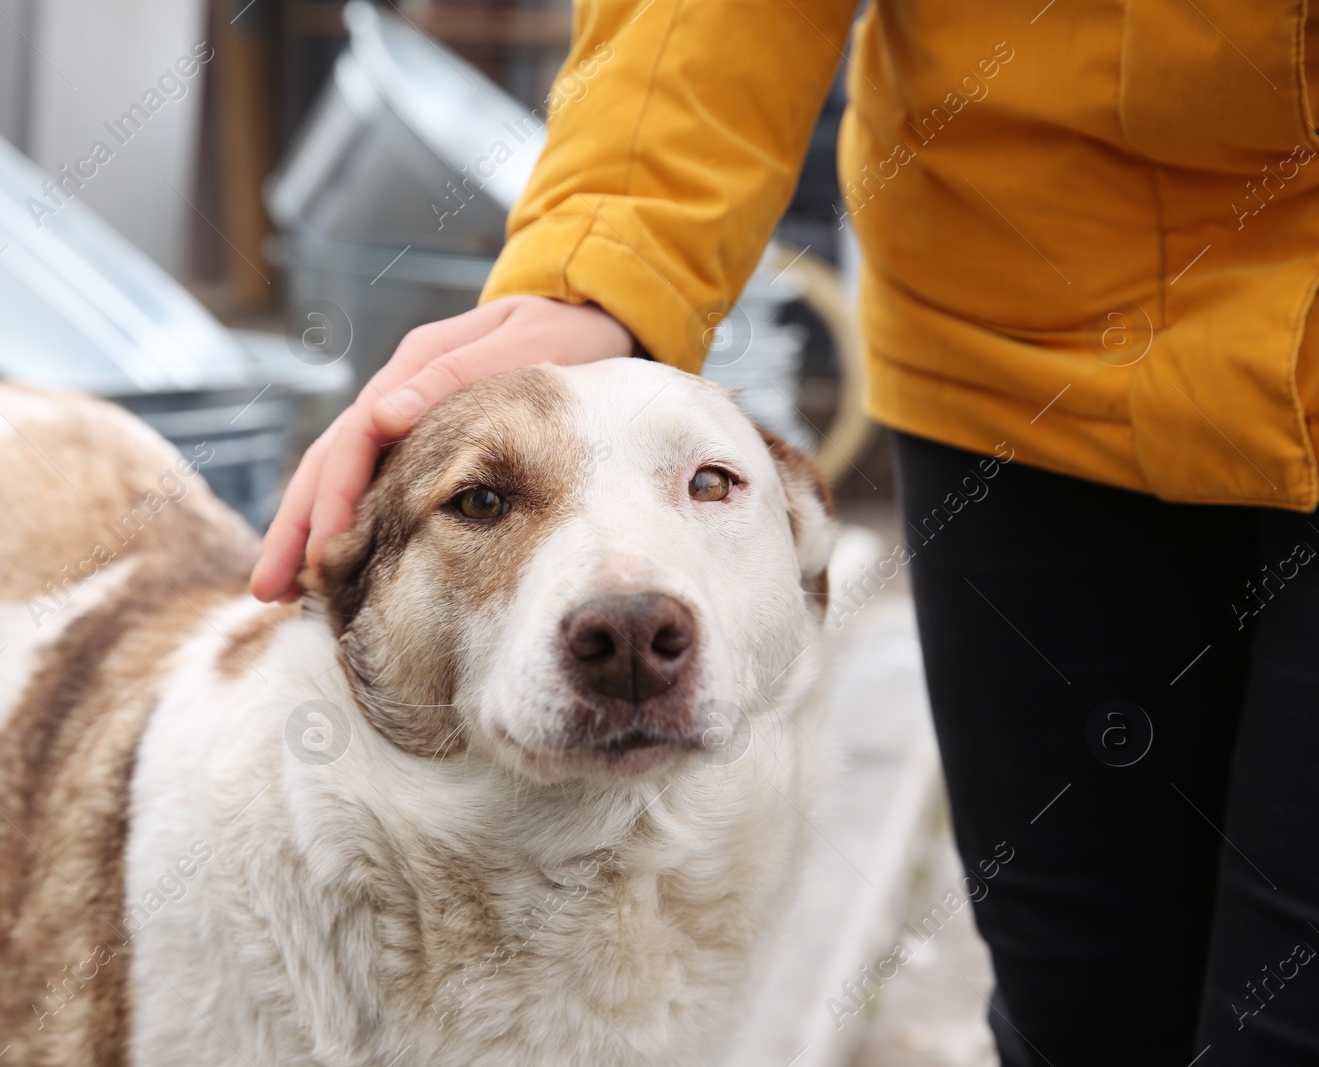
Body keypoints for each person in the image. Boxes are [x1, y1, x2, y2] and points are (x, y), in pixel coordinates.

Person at [251, 2, 1319, 1062]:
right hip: (1026, 332)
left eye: (709, 486)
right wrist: (608, 253)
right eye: (484, 502)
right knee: (1084, 1010)